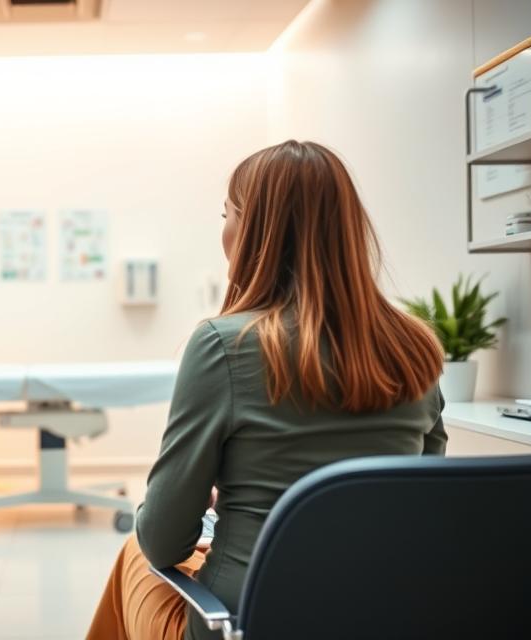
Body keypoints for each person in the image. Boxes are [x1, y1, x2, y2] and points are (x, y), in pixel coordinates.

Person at [87, 140, 447, 640]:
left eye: (227, 214)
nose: (225, 231)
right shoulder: (416, 345)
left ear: (256, 229)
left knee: (134, 554)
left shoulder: (222, 345)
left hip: (245, 621)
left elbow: (163, 540)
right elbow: (424, 504)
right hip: (381, 614)